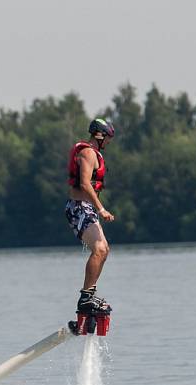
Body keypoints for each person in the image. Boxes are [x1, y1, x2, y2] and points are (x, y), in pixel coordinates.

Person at [66, 118, 116, 312]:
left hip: (85, 207)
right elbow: (86, 183)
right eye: (108, 138)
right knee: (99, 249)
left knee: (104, 250)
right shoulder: (87, 153)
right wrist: (101, 208)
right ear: (99, 135)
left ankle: (89, 295)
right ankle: (86, 298)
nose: (109, 142)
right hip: (78, 207)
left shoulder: (92, 153)